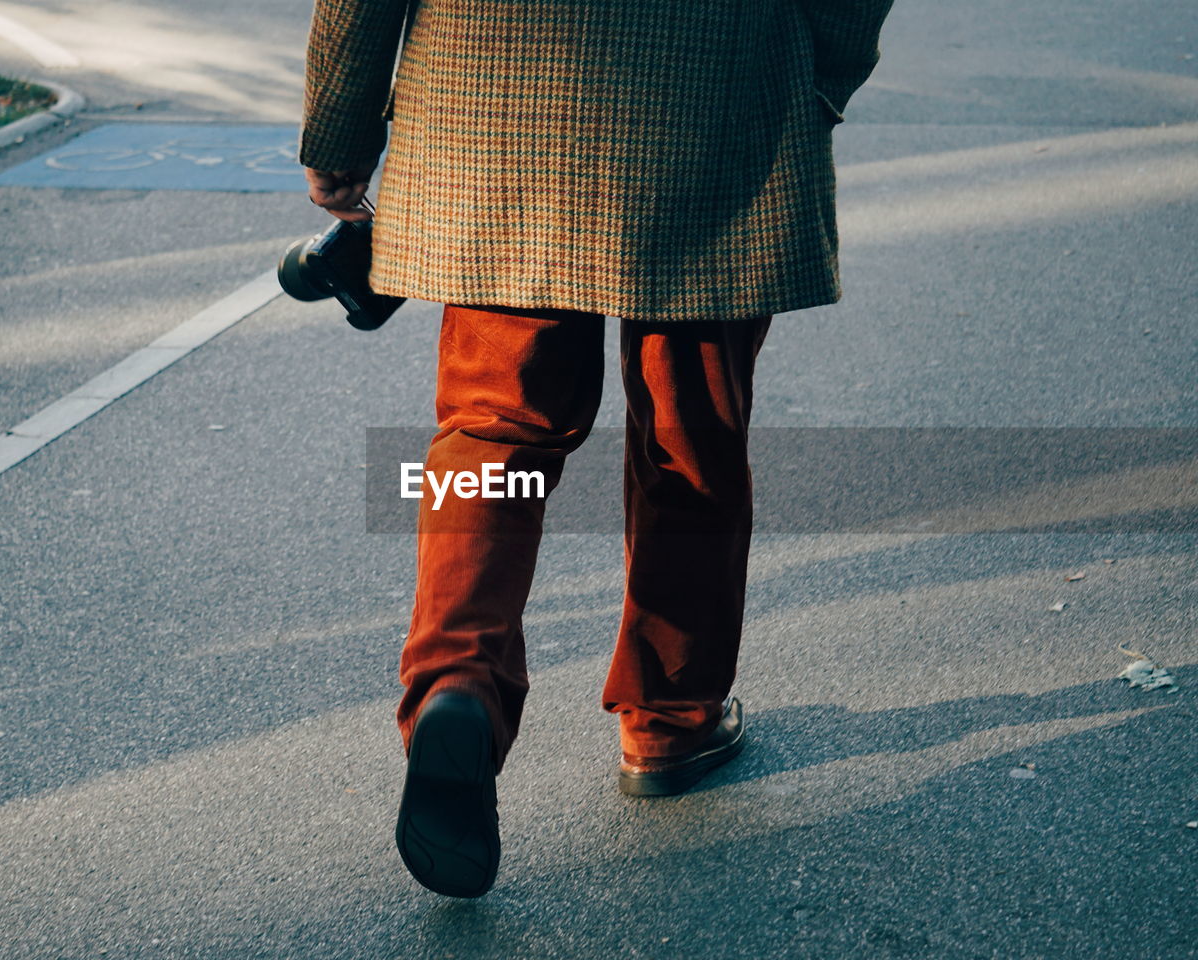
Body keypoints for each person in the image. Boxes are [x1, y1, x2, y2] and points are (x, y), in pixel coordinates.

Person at [299, 0, 894, 898]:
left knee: (495, 423)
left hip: (495, 93)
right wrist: (820, 71)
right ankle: (671, 716)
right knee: (691, 431)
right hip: (718, 84)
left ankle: (456, 683)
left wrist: (339, 124)